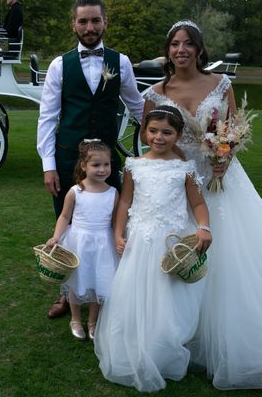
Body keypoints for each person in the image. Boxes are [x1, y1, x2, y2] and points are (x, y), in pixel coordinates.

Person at [143, 20, 262, 392]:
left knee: (232, 257)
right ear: (168, 50)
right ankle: (180, 333)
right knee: (180, 253)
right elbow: (155, 140)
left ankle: (237, 339)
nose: (180, 50)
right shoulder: (156, 92)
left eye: (188, 44)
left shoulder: (221, 84)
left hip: (222, 182)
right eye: (174, 44)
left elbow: (231, 128)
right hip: (179, 185)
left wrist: (226, 153)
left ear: (199, 49)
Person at [37, 0, 144, 319]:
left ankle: (110, 294)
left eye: (95, 20)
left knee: (111, 227)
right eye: (83, 20)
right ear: (74, 24)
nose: (89, 26)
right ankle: (66, 295)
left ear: (105, 22)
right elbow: (48, 117)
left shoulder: (120, 62)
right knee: (68, 228)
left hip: (107, 163)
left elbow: (138, 105)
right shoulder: (59, 65)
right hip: (69, 161)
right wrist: (48, 166)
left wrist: (170, 137)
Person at [94, 105, 212, 392]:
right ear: (145, 132)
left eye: (167, 132)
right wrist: (118, 233)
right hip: (140, 238)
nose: (159, 137)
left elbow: (197, 203)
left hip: (169, 241)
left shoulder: (184, 168)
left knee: (166, 294)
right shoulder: (134, 164)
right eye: (153, 131)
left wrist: (204, 227)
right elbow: (125, 202)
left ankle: (164, 344)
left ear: (178, 135)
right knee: (135, 290)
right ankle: (135, 341)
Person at [44, 140, 119, 341]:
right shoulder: (76, 191)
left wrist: (118, 240)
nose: (102, 169)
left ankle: (93, 320)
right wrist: (56, 236)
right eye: (96, 165)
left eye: (106, 164)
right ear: (83, 166)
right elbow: (64, 217)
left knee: (99, 281)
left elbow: (114, 222)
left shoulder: (113, 193)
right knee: (77, 281)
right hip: (79, 242)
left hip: (103, 243)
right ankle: (75, 318)